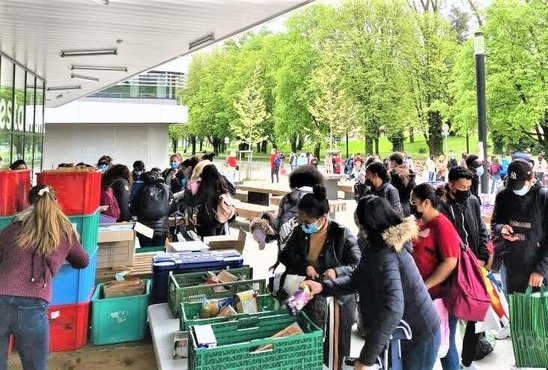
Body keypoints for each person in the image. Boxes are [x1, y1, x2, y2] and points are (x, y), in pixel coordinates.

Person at [303, 195, 441, 370]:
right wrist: (323, 287)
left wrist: (366, 359)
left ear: (369, 225)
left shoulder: (387, 254)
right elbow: (358, 279)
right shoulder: (375, 245)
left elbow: (394, 309)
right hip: (400, 331)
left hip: (420, 333)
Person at [0, 185, 89, 370]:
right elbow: (82, 261)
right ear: (56, 203)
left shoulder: (11, 229)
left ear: (28, 204)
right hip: (33, 303)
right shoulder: (63, 232)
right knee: (35, 365)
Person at [278, 185, 361, 370]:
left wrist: (336, 272)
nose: (304, 224)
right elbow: (285, 255)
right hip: (307, 292)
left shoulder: (341, 233)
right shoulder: (301, 232)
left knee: (333, 347)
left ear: (322, 218)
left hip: (337, 298)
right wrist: (304, 266)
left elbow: (358, 265)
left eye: (308, 221)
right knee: (306, 337)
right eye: (301, 219)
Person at [438, 167, 490, 370]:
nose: (466, 190)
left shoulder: (472, 201)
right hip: (454, 270)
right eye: (461, 187)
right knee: (452, 319)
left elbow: (481, 228)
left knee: (476, 314)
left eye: (469, 187)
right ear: (451, 185)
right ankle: (452, 361)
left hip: (475, 267)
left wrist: (483, 255)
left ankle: (467, 360)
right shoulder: (440, 206)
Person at [410, 183, 461, 370]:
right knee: (435, 346)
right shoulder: (423, 224)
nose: (412, 207)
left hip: (441, 296)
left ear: (426, 203)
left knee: (446, 347)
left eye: (414, 203)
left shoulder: (442, 226)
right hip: (427, 296)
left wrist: (426, 284)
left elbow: (450, 262)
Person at [491, 160, 548, 295]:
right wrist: (501, 229)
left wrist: (540, 270)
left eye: (520, 185)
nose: (516, 190)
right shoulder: (504, 195)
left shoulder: (543, 197)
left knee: (536, 313)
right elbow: (495, 222)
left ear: (531, 178)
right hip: (511, 264)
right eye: (513, 186)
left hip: (537, 264)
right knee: (515, 310)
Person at [250, 165, 325, 250]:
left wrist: (267, 219)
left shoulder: (287, 199)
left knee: (266, 218)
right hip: (315, 247)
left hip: (287, 246)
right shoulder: (320, 199)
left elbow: (278, 224)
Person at [177, 162, 231, 238]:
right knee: (217, 242)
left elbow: (193, 202)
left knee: (208, 244)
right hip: (221, 218)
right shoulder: (222, 184)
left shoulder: (206, 187)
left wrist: (188, 192)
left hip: (208, 220)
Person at [130, 170, 173, 247]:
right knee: (159, 253)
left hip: (144, 229)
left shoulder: (141, 189)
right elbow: (172, 207)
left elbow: (133, 209)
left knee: (146, 252)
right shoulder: (166, 189)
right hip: (161, 228)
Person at [388, 152, 416, 216]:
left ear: (393, 162)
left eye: (389, 161)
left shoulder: (394, 174)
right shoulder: (409, 172)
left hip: (398, 205)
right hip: (407, 204)